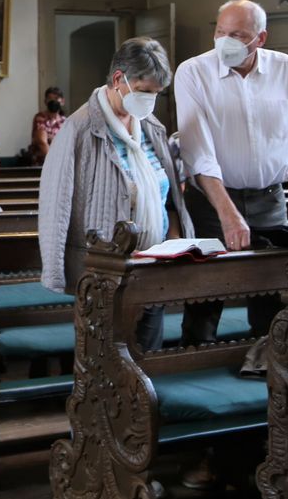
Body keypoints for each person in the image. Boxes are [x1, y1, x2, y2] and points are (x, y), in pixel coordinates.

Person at [176, 0, 288, 347]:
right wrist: (227, 214)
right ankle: (196, 370)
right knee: (206, 294)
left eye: (238, 35)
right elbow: (198, 151)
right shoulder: (193, 72)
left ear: (260, 38)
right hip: (211, 199)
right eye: (220, 32)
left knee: (273, 292)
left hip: (269, 197)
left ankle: (268, 370)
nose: (225, 41)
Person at [38, 37, 192, 351]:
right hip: (104, 270)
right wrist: (57, 270)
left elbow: (170, 194)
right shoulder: (79, 129)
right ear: (119, 79)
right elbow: (57, 200)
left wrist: (174, 243)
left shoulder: (151, 126)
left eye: (156, 94)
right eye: (144, 91)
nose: (150, 100)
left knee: (146, 359)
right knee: (106, 360)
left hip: (152, 267)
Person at [30, 86, 66, 165]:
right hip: (42, 164)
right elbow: (42, 142)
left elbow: (67, 144)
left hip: (61, 163)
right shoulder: (40, 118)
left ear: (62, 101)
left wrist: (51, 138)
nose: (53, 101)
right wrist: (54, 163)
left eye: (56, 98)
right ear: (45, 101)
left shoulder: (65, 122)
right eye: (50, 98)